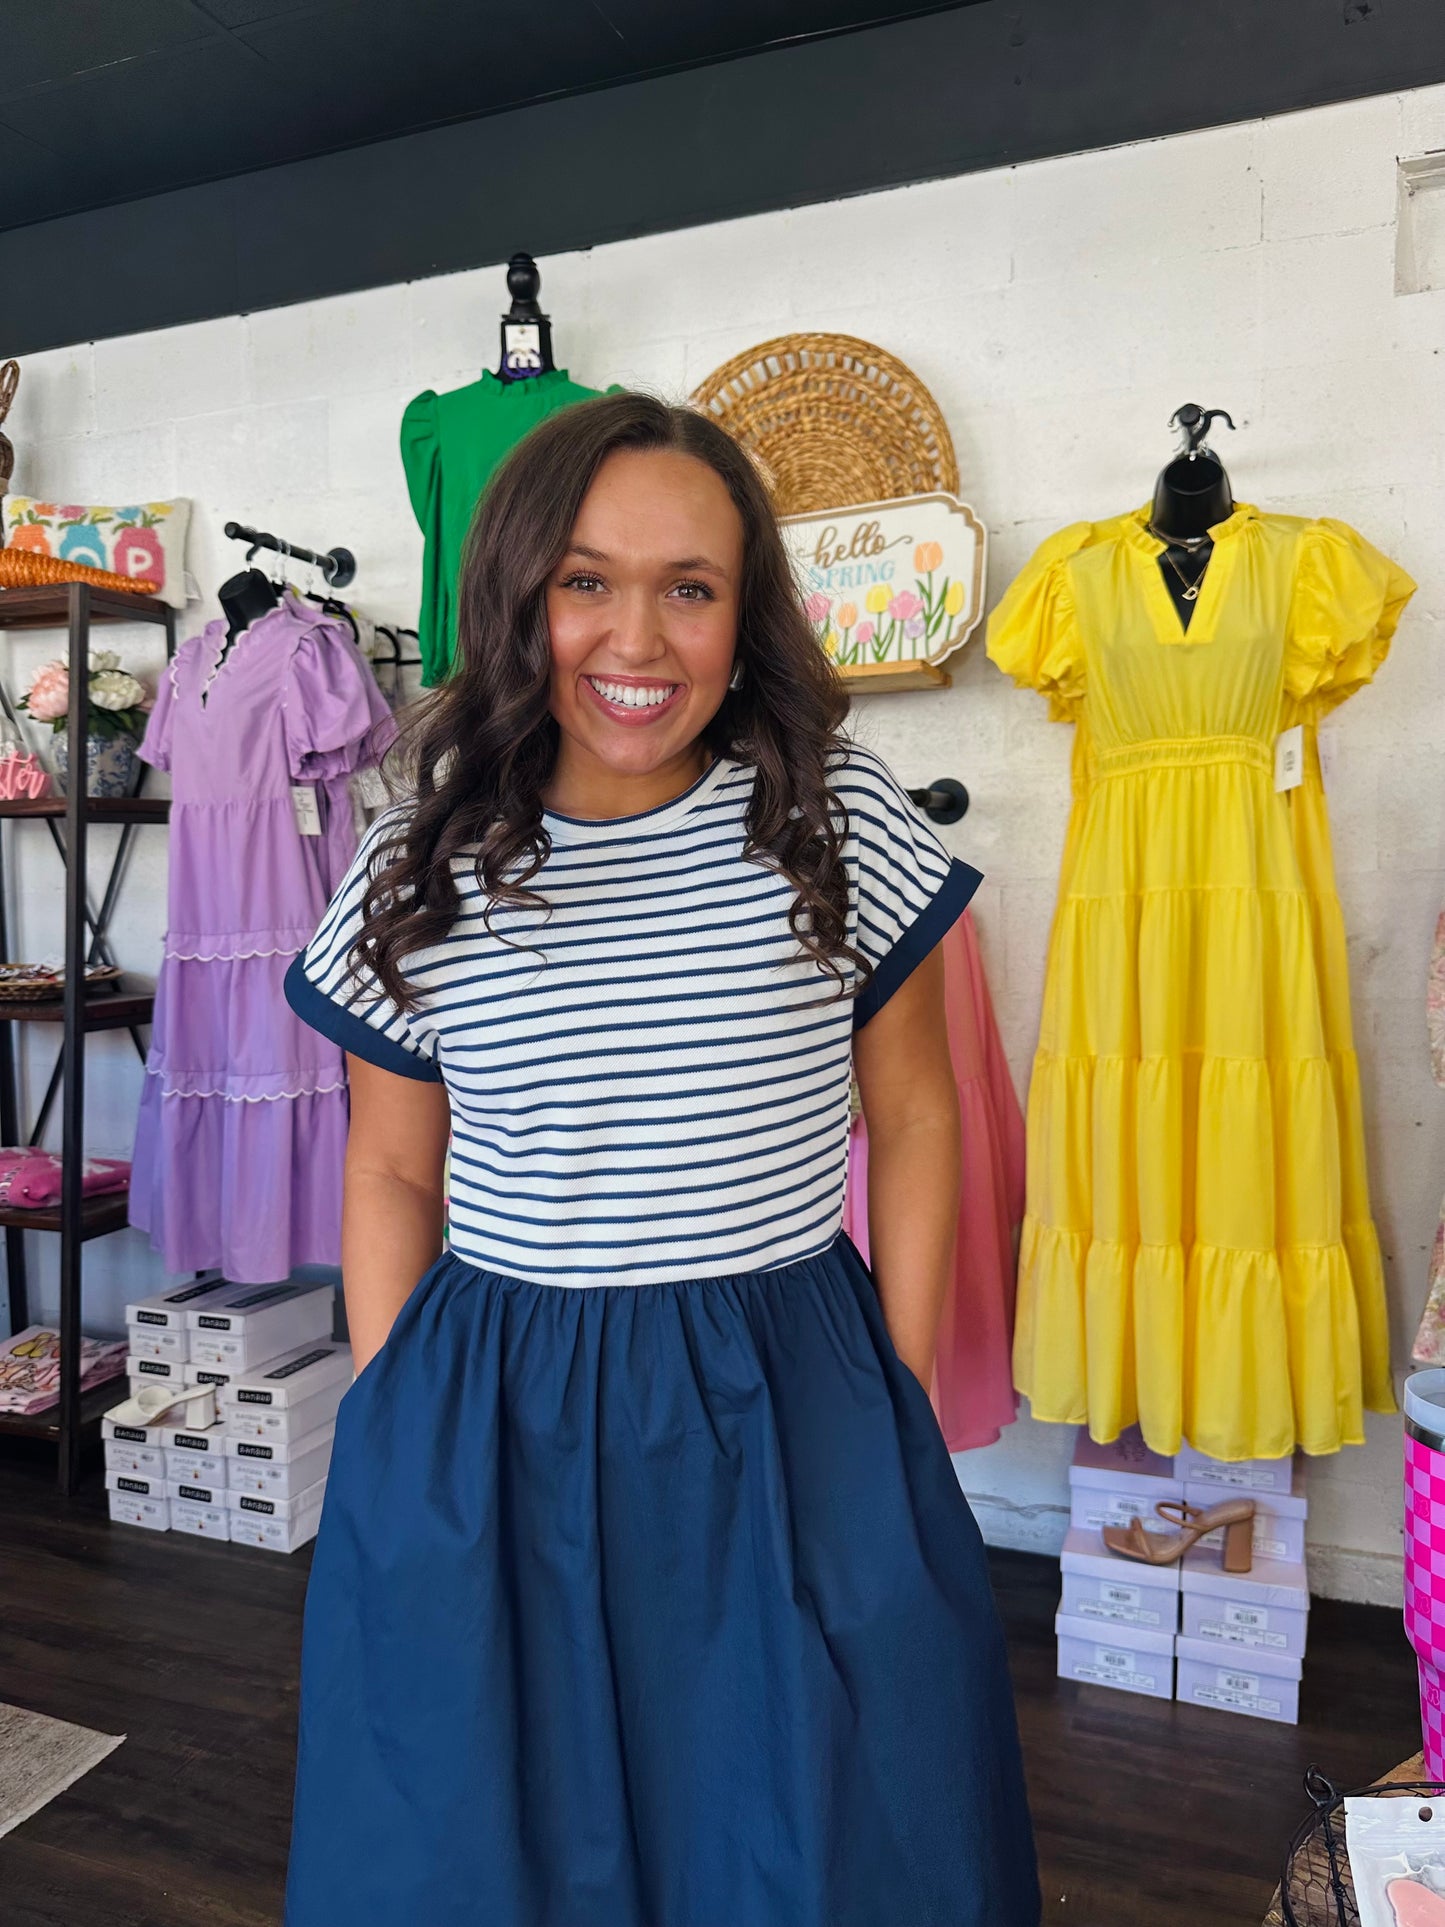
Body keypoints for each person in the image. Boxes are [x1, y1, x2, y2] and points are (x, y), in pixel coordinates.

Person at [281, 391, 1040, 1926]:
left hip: (783, 1377)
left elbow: (913, 1115)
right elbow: (391, 1174)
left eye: (688, 588)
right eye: (585, 582)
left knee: (822, 1808)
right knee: (493, 1820)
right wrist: (384, 1408)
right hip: (496, 1392)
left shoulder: (829, 822)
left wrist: (888, 1395)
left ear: (743, 613)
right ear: (515, 598)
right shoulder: (412, 863)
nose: (636, 640)